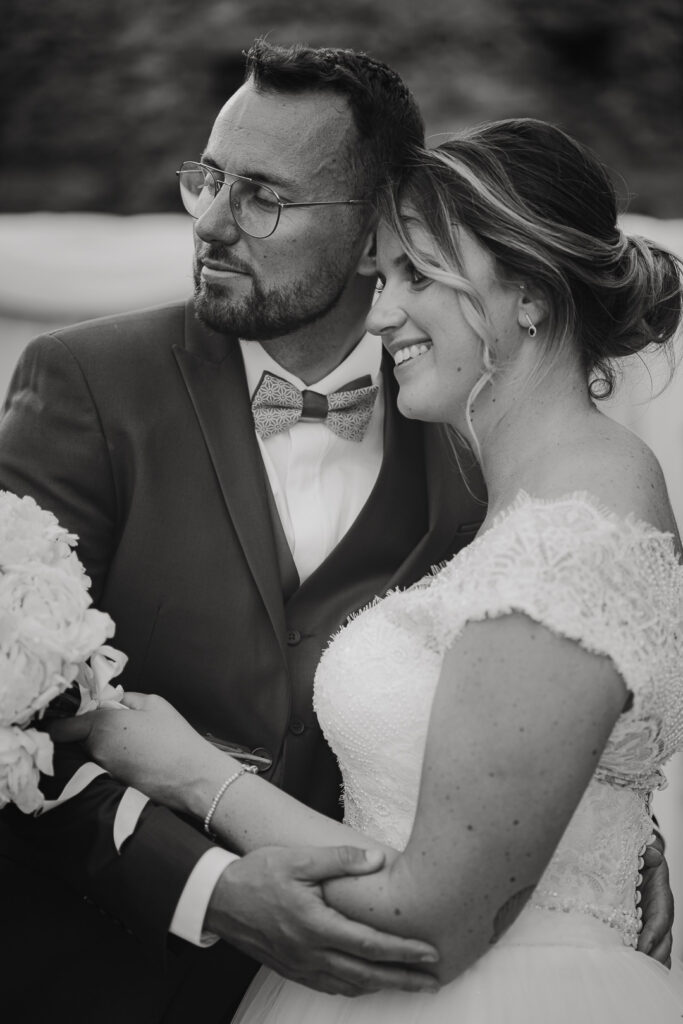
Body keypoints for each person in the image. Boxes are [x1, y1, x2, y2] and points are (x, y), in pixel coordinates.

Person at [54, 117, 683, 1022]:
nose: (381, 312)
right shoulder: (534, 494)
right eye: (383, 275)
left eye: (417, 276)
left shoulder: (572, 527)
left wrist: (181, 767)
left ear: (531, 296)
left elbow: (426, 921)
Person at [0, 41, 487, 1024]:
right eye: (209, 178)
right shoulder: (84, 382)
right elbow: (13, 718)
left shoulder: (470, 428)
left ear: (372, 237)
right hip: (88, 979)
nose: (212, 223)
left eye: (262, 196)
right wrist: (205, 887)